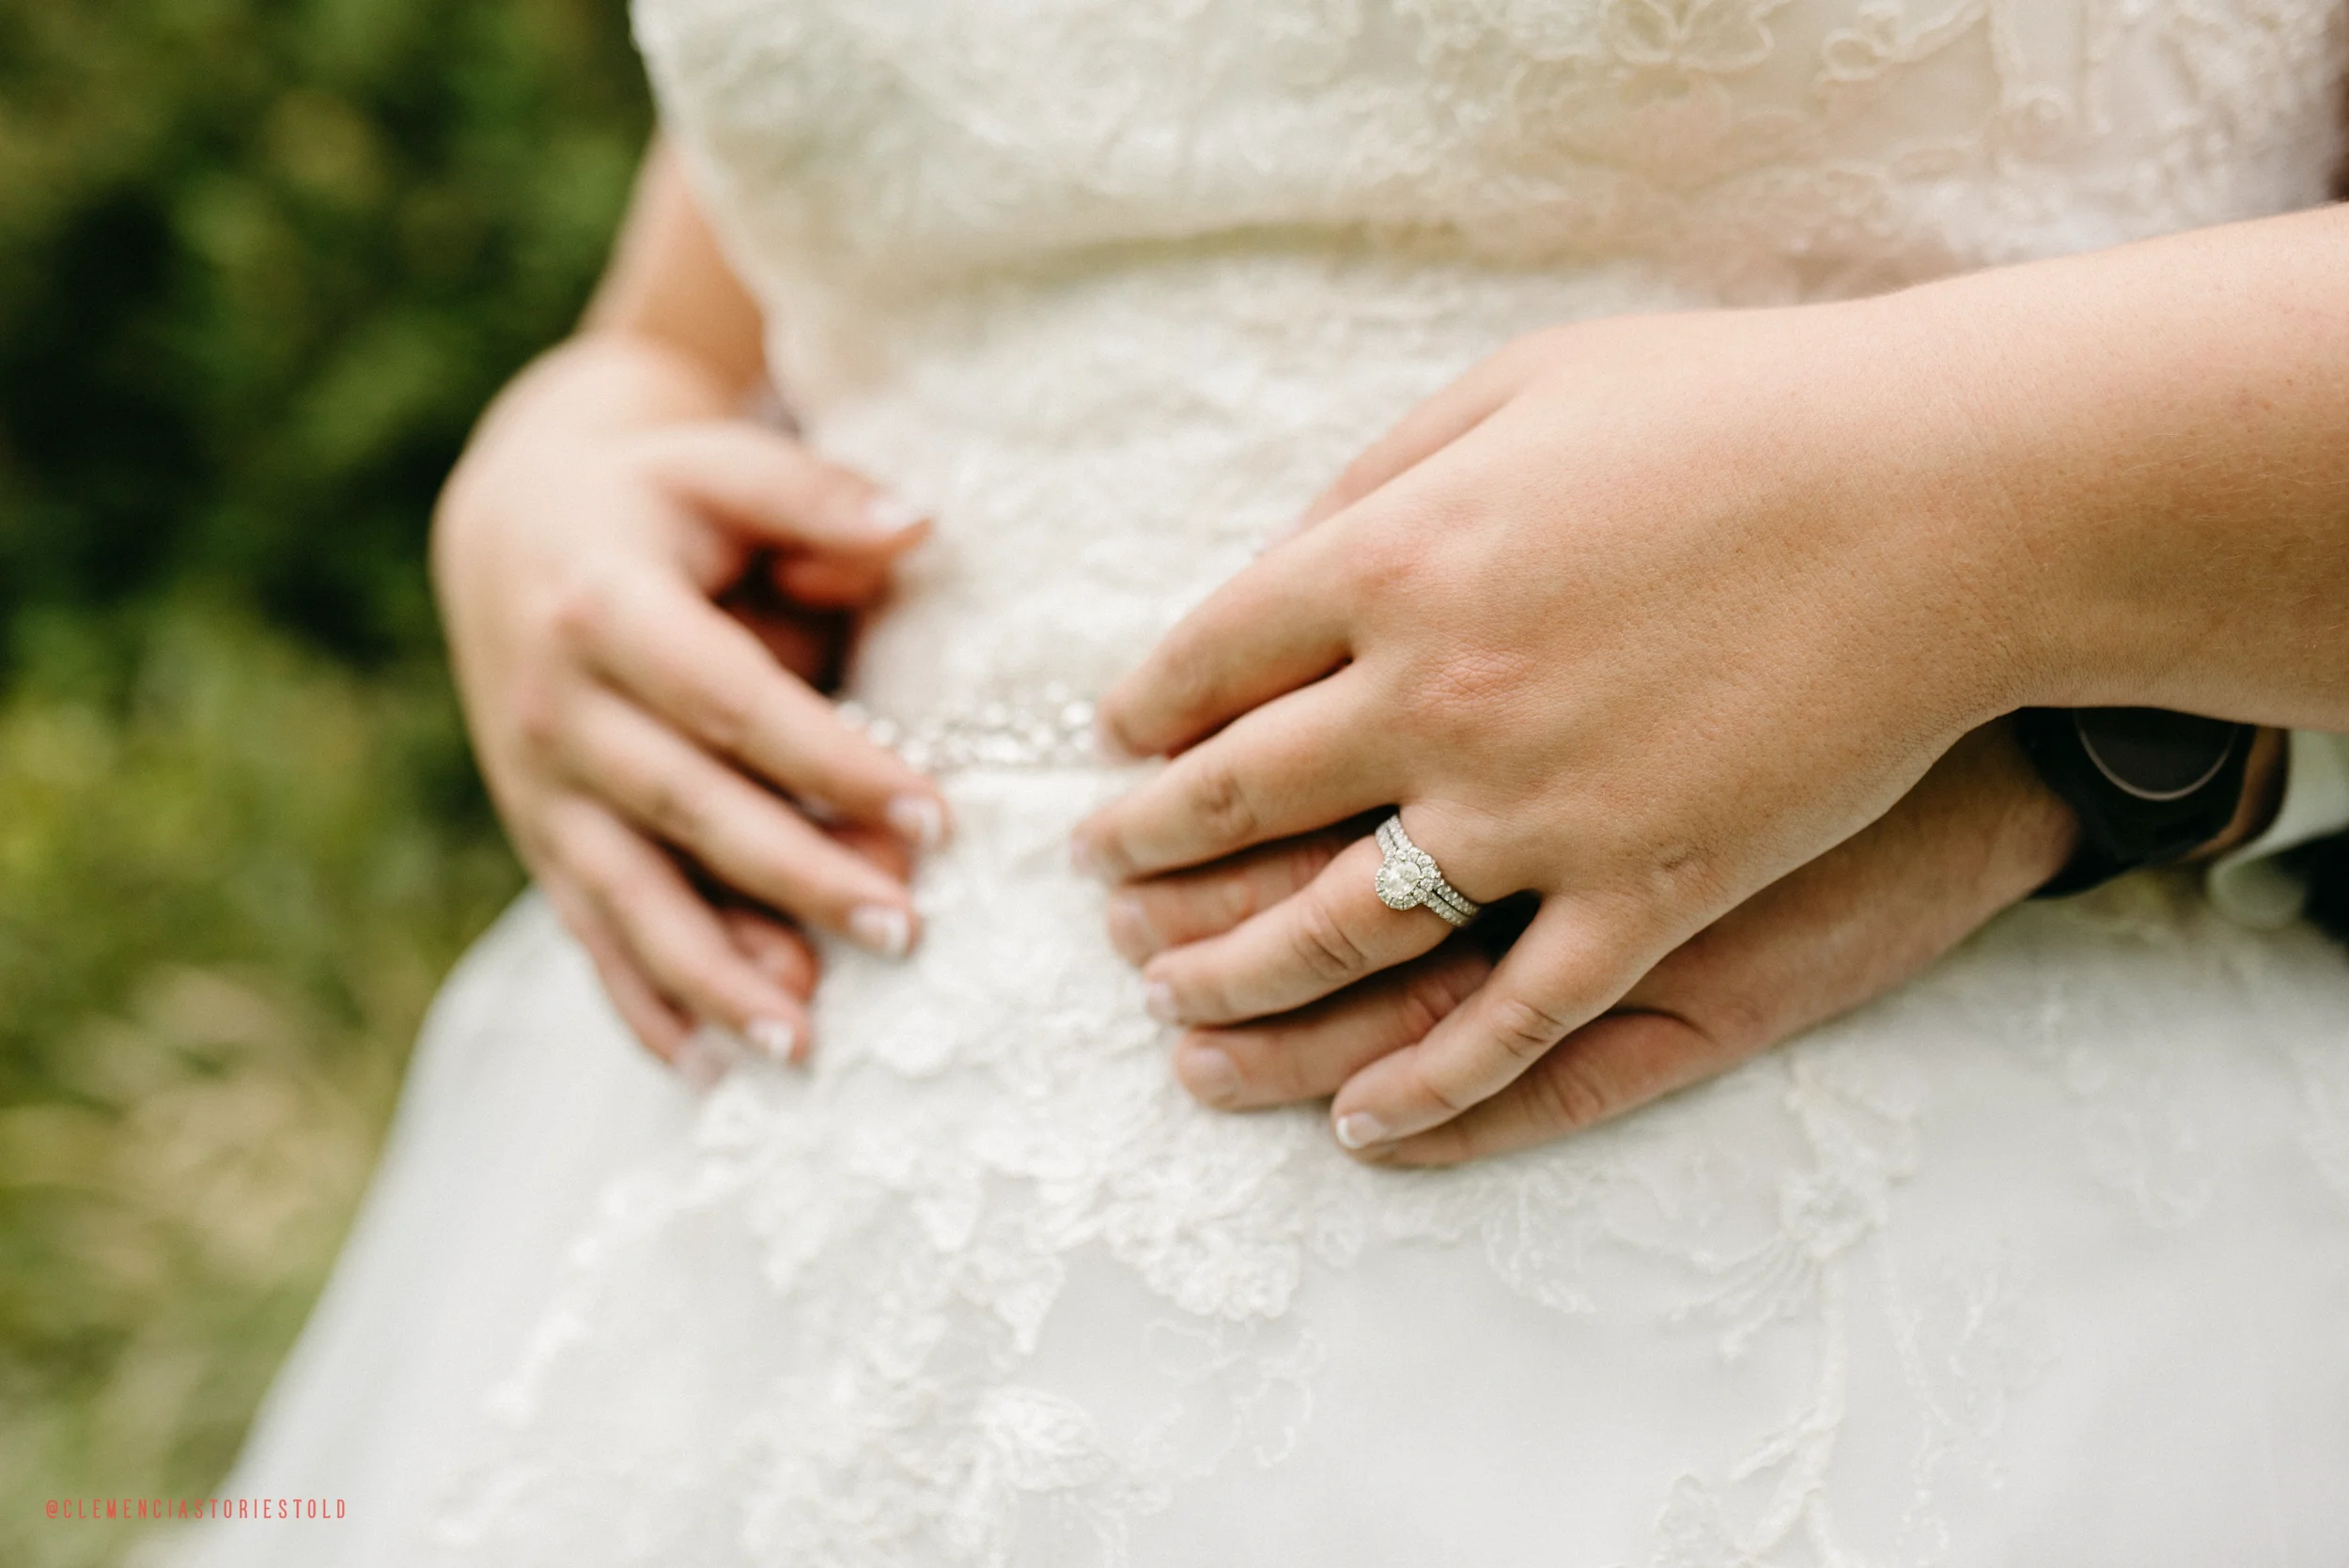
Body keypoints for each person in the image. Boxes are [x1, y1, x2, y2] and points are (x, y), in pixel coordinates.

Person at [156, 5, 2349, 1564]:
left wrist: (1987, 531)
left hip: (1884, 1287)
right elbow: (736, 290)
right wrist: (564, 455)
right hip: (704, 1255)